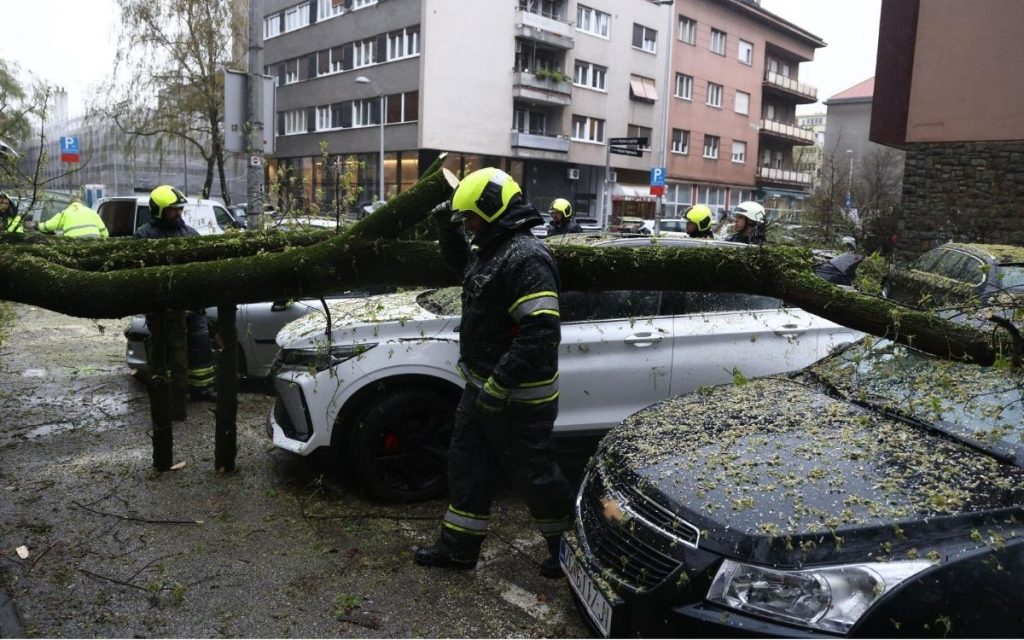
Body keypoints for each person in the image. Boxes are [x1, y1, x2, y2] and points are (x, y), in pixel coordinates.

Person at [414, 168, 573, 579]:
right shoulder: (493, 248)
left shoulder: (527, 257)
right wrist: (445, 227)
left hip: (520, 396)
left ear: (492, 209)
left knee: (534, 475)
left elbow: (540, 332)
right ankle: (458, 549)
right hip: (480, 387)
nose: (468, 224)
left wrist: (501, 385)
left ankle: (567, 552)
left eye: (471, 217)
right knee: (466, 466)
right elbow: (463, 269)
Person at [134, 185, 216, 402]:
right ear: (159, 211)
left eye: (180, 209)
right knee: (166, 352)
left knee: (200, 348)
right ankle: (168, 391)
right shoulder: (144, 236)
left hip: (192, 307)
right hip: (162, 309)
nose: (179, 213)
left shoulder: (189, 233)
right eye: (173, 210)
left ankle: (201, 389)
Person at [36, 201, 108, 238]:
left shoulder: (66, 212)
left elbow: (49, 226)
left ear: (70, 206)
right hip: (94, 240)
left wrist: (38, 226)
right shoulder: (91, 212)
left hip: (74, 242)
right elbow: (104, 233)